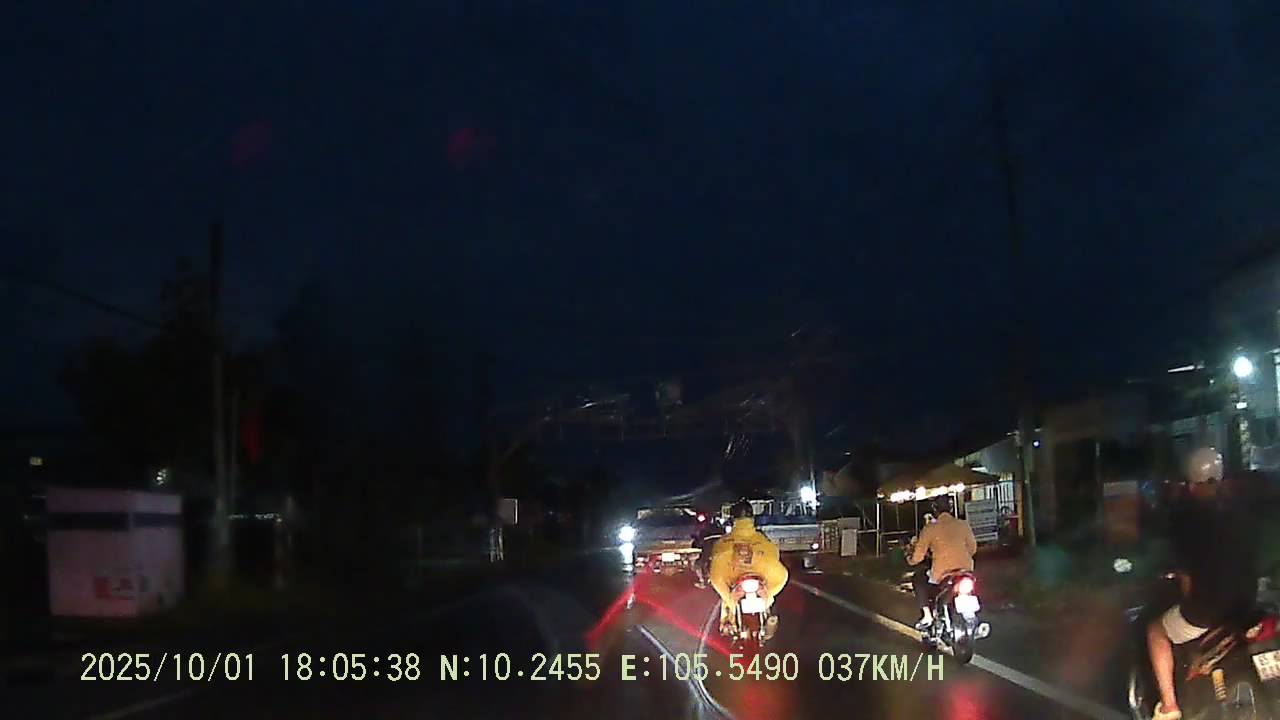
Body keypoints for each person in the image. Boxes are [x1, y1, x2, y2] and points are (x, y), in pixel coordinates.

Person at [1147, 448, 1260, 720]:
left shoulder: (1191, 520)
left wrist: (1188, 600)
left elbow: (1186, 578)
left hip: (1209, 609)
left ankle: (1170, 706)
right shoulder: (1239, 512)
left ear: (1193, 484)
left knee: (1156, 632)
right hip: (1245, 603)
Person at [709, 500, 789, 639]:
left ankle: (728, 618)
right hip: (760, 575)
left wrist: (730, 599)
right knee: (777, 583)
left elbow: (715, 559)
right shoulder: (762, 539)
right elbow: (774, 555)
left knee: (723, 591)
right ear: (752, 518)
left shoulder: (723, 542)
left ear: (733, 519)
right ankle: (767, 604)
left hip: (733, 576)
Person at [907, 497, 978, 629]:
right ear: (951, 508)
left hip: (942, 574)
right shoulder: (963, 524)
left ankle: (927, 616)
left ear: (934, 509)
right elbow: (973, 549)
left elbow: (917, 557)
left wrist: (910, 559)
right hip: (966, 570)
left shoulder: (929, 528)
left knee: (918, 578)